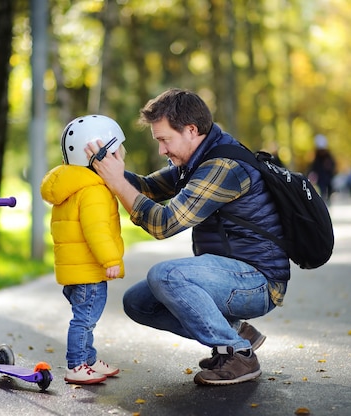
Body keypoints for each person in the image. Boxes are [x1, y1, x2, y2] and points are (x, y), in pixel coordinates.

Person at [87, 88, 290, 386]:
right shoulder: (197, 160)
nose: (161, 151)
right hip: (231, 276)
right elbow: (146, 188)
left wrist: (117, 181)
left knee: (166, 276)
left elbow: (164, 224)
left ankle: (238, 355)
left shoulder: (223, 166)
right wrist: (103, 168)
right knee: (138, 302)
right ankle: (236, 333)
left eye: (164, 140)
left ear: (191, 130)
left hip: (258, 283)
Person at [41, 114, 126, 385]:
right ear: (98, 156)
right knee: (84, 321)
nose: (122, 156)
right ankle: (76, 364)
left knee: (85, 318)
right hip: (89, 272)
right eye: (117, 151)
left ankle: (89, 359)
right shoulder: (94, 191)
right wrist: (111, 259)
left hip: (74, 271)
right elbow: (96, 231)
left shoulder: (71, 186)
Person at [308, 134, 336, 203]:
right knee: (322, 189)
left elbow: (332, 166)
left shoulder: (328, 156)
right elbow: (314, 167)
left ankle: (327, 200)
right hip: (320, 178)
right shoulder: (317, 157)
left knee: (327, 188)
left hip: (327, 177)